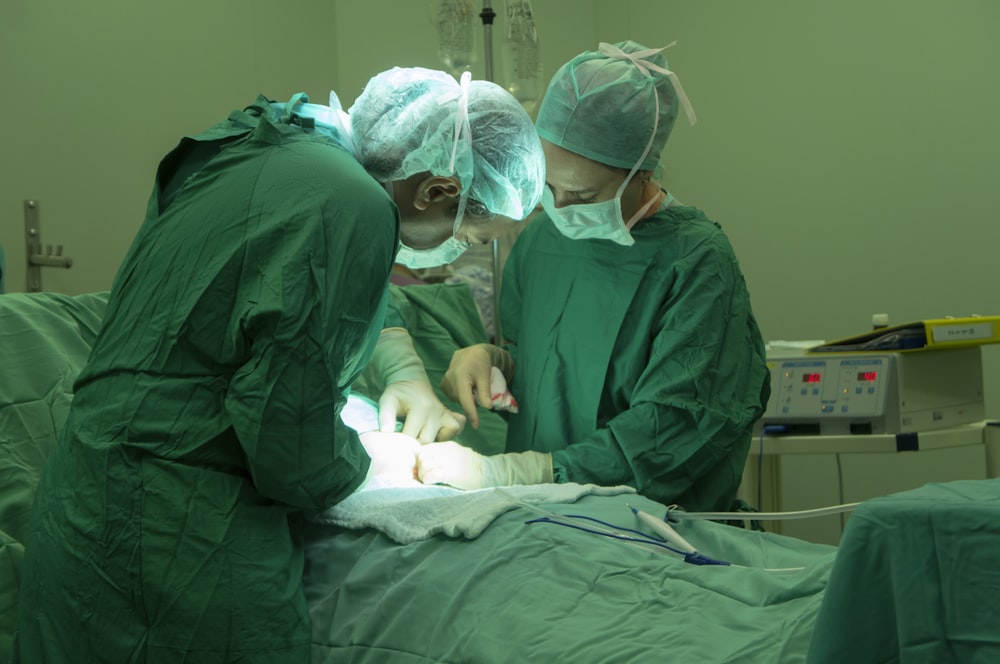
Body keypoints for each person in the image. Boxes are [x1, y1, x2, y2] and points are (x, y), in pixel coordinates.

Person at [14, 67, 544, 662]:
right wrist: (369, 463)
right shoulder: (354, 206)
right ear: (435, 191)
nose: (462, 247)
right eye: (471, 234)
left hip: (85, 494)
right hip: (177, 528)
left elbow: (265, 293)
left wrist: (400, 367)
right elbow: (286, 437)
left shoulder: (267, 142)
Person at [418, 41, 771, 514]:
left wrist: (524, 474)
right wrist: (495, 360)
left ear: (641, 173)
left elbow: (678, 427)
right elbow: (549, 363)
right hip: (540, 521)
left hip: (655, 532)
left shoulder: (695, 261)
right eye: (547, 185)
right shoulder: (542, 239)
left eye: (583, 194)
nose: (558, 206)